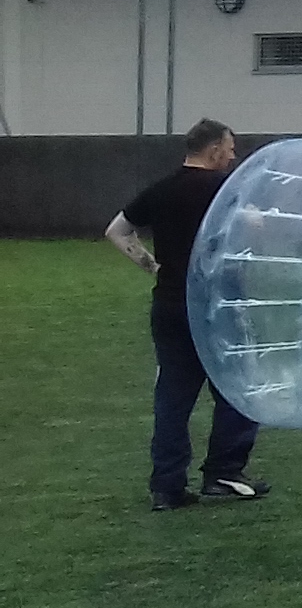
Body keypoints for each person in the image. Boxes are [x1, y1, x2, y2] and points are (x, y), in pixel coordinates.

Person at [106, 119, 268, 511]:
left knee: (173, 398)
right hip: (218, 303)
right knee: (236, 387)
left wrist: (151, 266)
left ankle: (167, 486)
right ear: (213, 149)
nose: (233, 156)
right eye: (229, 148)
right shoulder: (225, 190)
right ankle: (225, 472)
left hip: (170, 303)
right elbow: (257, 224)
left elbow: (117, 230)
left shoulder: (161, 189)